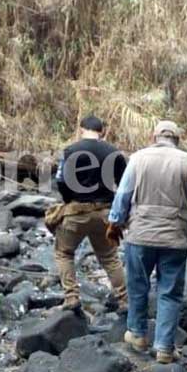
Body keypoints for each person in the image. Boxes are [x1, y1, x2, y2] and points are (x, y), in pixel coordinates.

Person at [107, 120, 187, 364]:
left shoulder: (138, 158)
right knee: (169, 293)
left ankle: (137, 334)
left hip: (140, 234)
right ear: (177, 139)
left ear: (153, 137)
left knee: (138, 285)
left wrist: (114, 223)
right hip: (175, 238)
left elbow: (123, 195)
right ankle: (165, 349)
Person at [53, 115, 128, 312]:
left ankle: (71, 297)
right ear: (101, 131)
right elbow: (124, 185)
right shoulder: (113, 152)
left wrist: (69, 199)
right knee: (110, 258)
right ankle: (124, 300)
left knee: (64, 253)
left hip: (76, 210)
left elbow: (60, 181)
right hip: (104, 212)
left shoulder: (71, 151)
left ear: (82, 129)